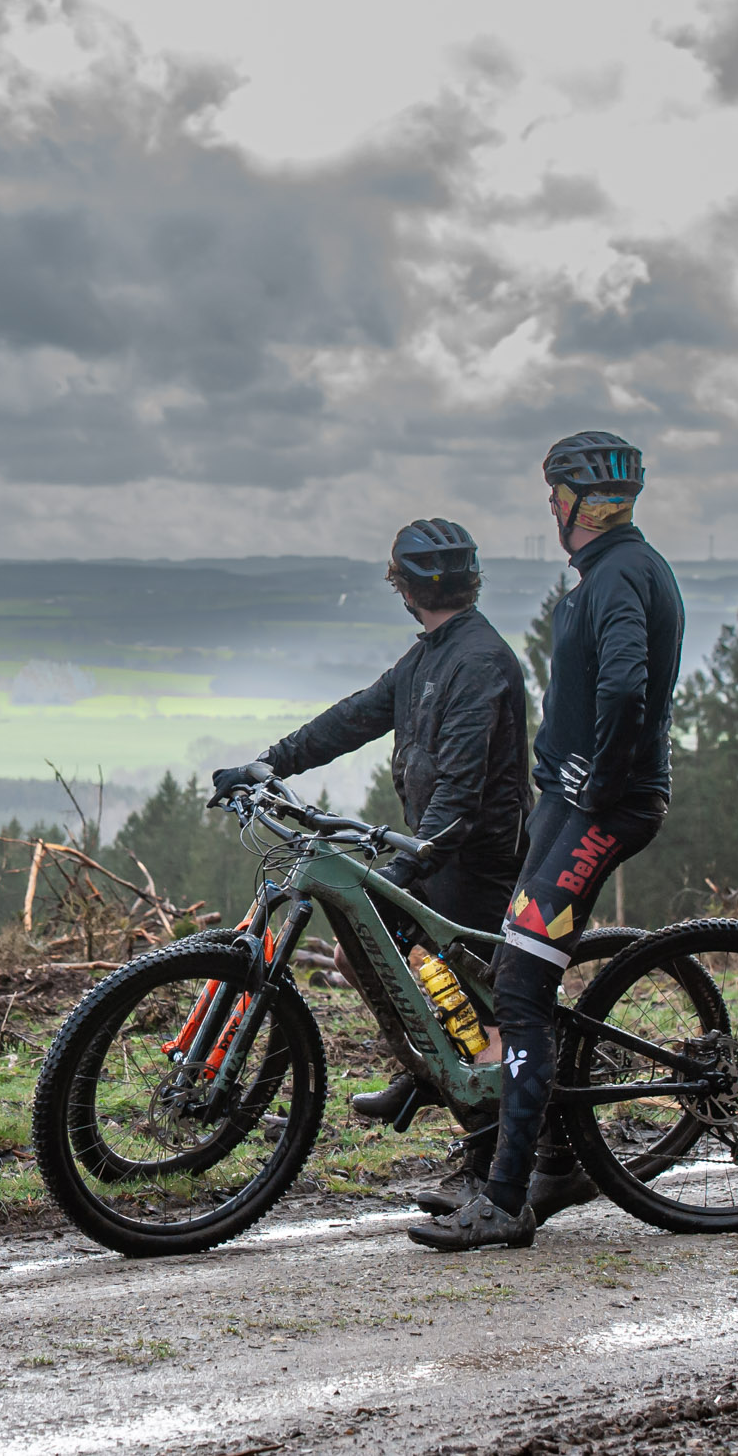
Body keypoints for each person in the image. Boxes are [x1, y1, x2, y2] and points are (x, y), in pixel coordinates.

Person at [409, 431, 685, 1253]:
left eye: (553, 496)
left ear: (572, 501)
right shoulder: (615, 571)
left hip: (599, 808)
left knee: (524, 993)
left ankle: (505, 1199)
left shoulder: (622, 575)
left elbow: (627, 684)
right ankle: (555, 1161)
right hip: (571, 806)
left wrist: (597, 783)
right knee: (508, 968)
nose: (551, 509)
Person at [212, 518, 530, 1214]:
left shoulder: (478, 660)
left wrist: (420, 855)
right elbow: (356, 716)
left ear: (405, 586)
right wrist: (274, 759)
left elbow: (463, 783)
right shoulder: (430, 657)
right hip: (437, 848)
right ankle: (424, 1070)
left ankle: (487, 1167)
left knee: (475, 1008)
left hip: (476, 862)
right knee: (363, 956)